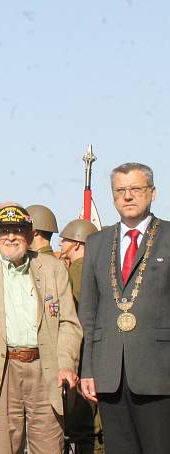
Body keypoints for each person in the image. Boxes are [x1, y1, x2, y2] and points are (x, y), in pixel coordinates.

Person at [0, 204, 83, 454]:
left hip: (46, 371)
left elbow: (68, 322)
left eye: (18, 230)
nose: (11, 237)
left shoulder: (53, 268)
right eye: (4, 230)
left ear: (30, 234)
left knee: (50, 448)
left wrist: (66, 364)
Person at [78, 162, 170, 454]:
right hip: (109, 373)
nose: (127, 196)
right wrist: (88, 369)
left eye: (135, 189)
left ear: (152, 193)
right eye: (120, 190)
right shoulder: (97, 242)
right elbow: (89, 312)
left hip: (159, 372)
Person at [58, 218, 104, 454]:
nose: (61, 243)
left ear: (76, 244)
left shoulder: (77, 270)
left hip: (81, 351)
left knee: (84, 423)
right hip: (94, 351)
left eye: (65, 240)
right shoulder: (97, 267)